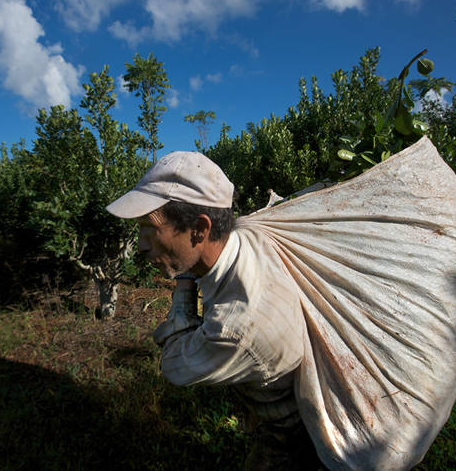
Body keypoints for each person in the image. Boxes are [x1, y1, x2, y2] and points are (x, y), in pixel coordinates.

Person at [106, 151, 322, 469]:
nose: (141, 244)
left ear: (199, 230)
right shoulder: (248, 235)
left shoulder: (238, 328)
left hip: (292, 439)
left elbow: (173, 365)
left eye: (149, 228)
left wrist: (182, 288)